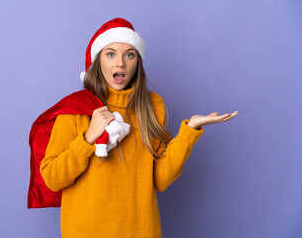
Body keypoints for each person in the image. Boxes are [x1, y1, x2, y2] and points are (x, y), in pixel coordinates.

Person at [39, 17, 238, 238]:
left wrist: (189, 132)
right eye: (111, 54)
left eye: (129, 54)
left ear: (137, 63)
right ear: (98, 61)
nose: (120, 63)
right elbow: (53, 179)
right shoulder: (76, 108)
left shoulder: (153, 106)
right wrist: (87, 138)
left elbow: (160, 180)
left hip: (141, 231)